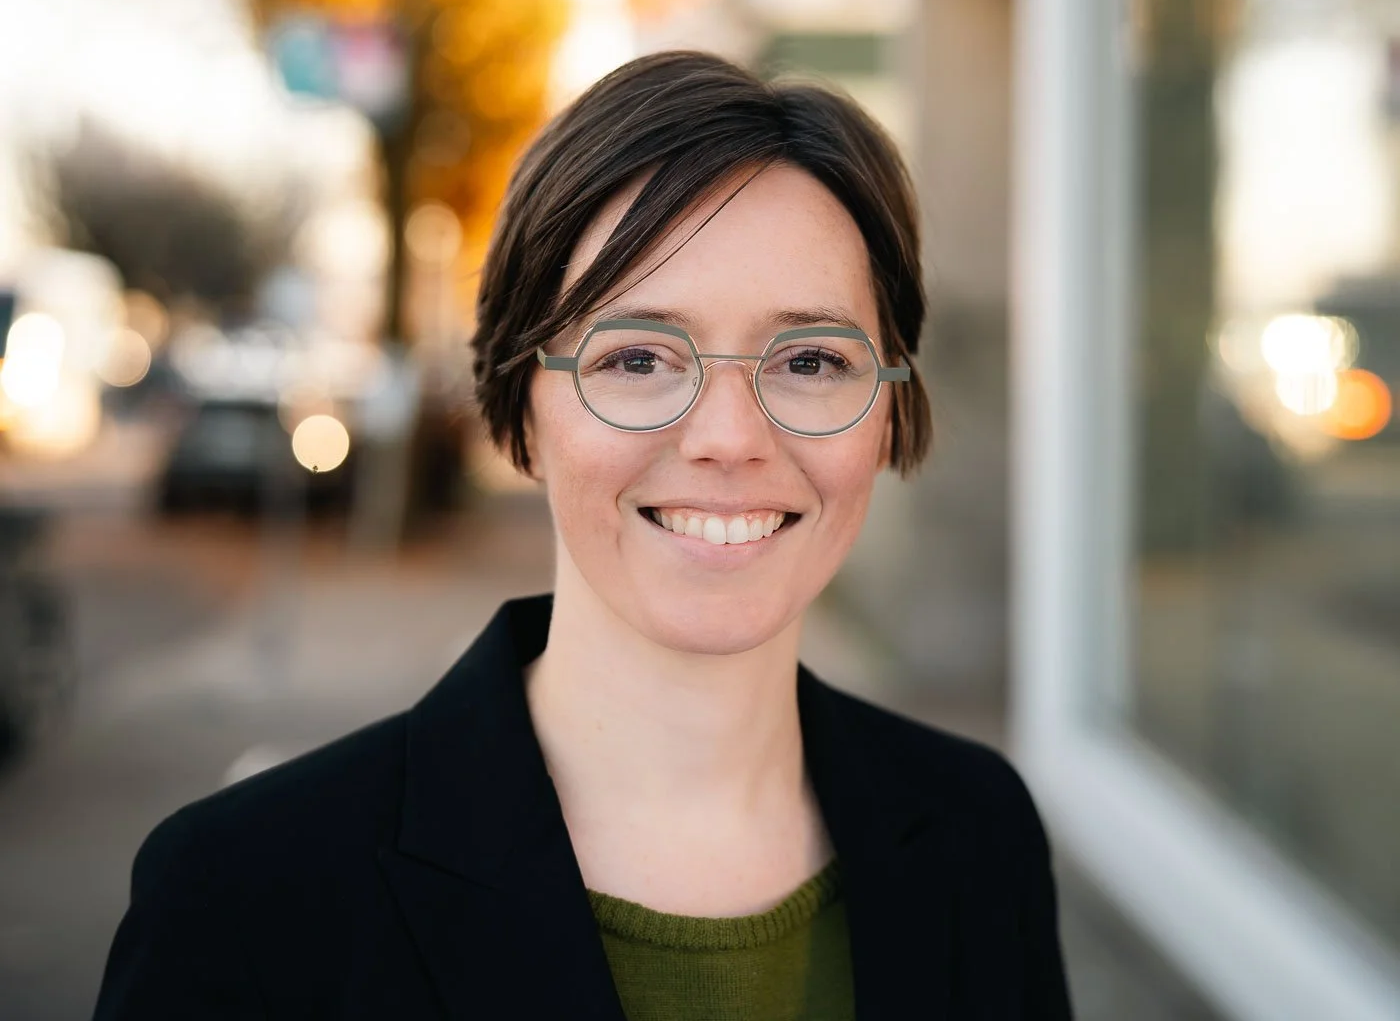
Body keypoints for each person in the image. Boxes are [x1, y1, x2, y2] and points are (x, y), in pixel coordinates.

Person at [92, 51, 1074, 1020]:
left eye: (810, 359)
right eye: (637, 356)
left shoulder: (977, 833)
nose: (728, 438)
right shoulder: (242, 901)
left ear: (890, 412)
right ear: (520, 412)